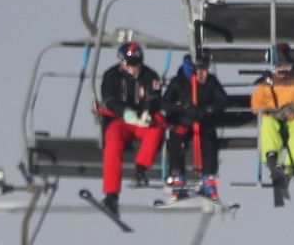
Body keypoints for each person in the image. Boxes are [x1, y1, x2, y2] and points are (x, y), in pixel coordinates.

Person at [96, 40, 164, 214]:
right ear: (123, 63)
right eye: (132, 64)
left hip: (142, 120)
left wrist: (148, 112)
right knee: (112, 141)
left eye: (137, 64)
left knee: (156, 128)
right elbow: (109, 99)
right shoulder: (111, 75)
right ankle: (111, 194)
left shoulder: (150, 75)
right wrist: (126, 113)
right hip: (121, 120)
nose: (135, 68)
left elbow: (154, 96)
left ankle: (141, 169)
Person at [159, 52, 229, 202]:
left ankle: (208, 178)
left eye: (206, 69)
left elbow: (222, 100)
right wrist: (182, 107)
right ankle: (178, 176)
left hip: (202, 121)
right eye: (200, 70)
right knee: (176, 140)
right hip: (182, 121)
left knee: (209, 139)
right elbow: (165, 103)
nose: (204, 74)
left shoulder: (210, 82)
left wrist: (207, 109)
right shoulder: (179, 82)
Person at [251, 44, 294, 190]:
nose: (282, 68)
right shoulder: (267, 82)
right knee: (268, 123)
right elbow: (256, 104)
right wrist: (271, 110)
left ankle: (289, 167)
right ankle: (272, 159)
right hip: (275, 119)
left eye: (285, 64)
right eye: (279, 64)